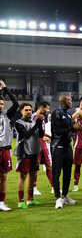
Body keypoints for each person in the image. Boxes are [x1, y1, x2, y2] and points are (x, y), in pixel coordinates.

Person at [51, 94, 82, 209]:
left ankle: (64, 196)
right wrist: (72, 129)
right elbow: (57, 131)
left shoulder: (69, 115)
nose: (71, 102)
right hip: (57, 145)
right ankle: (57, 198)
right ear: (64, 102)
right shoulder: (56, 113)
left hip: (68, 145)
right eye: (69, 100)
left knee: (68, 172)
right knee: (56, 172)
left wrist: (77, 128)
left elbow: (70, 130)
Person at [15, 102, 44, 209]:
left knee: (32, 175)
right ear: (21, 111)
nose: (29, 112)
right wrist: (36, 124)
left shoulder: (33, 122)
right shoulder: (18, 123)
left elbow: (41, 135)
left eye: (30, 110)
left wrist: (39, 123)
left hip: (34, 152)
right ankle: (21, 200)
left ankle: (30, 199)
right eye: (26, 110)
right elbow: (25, 135)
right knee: (23, 176)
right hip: (24, 152)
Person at [0, 80, 19, 211]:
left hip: (5, 149)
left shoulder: (7, 114)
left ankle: (1, 202)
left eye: (2, 103)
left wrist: (5, 89)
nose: (0, 105)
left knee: (4, 176)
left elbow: (16, 103)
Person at [31, 101, 53, 195]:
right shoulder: (33, 117)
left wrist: (48, 135)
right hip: (35, 145)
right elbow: (31, 131)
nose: (48, 110)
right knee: (35, 168)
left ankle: (54, 187)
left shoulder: (43, 117)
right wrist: (42, 137)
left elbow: (41, 131)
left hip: (43, 145)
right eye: (47, 108)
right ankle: (34, 188)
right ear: (41, 108)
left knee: (49, 165)